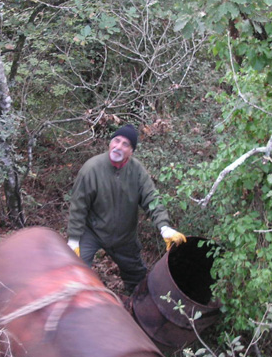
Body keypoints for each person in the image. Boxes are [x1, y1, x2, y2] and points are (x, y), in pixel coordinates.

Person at [66, 123, 186, 293]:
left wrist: (164, 227)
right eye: (116, 141)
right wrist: (73, 240)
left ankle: (133, 307)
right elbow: (79, 206)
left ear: (131, 151)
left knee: (137, 277)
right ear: (110, 143)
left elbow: (151, 198)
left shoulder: (137, 171)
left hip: (123, 236)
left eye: (125, 144)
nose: (118, 147)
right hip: (92, 232)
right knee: (75, 271)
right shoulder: (91, 169)